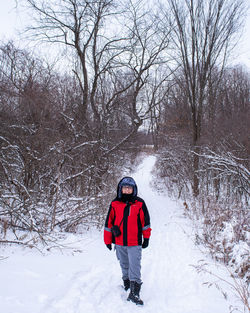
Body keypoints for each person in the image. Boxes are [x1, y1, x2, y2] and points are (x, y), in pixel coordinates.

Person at [104, 176, 151, 305]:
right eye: (125, 188)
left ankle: (135, 293)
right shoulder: (114, 204)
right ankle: (127, 283)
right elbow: (108, 223)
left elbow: (145, 223)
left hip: (134, 242)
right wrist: (107, 240)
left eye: (129, 188)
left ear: (133, 189)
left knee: (134, 266)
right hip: (119, 242)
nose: (127, 190)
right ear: (120, 189)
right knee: (124, 264)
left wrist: (146, 238)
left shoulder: (140, 203)